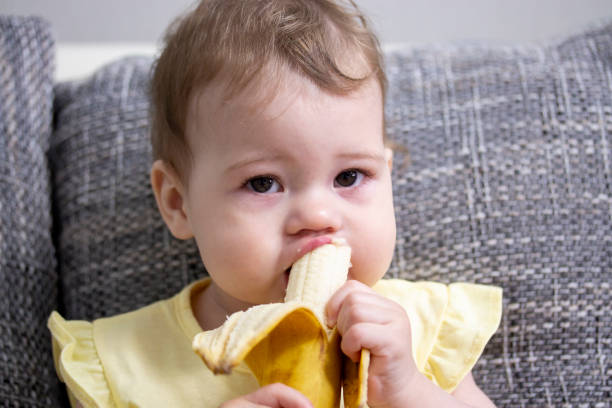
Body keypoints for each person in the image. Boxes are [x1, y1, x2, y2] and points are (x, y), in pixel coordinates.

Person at [48, 0, 502, 407]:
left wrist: (408, 391)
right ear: (177, 203)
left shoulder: (415, 331)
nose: (318, 217)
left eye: (349, 177)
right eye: (263, 183)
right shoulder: (128, 359)